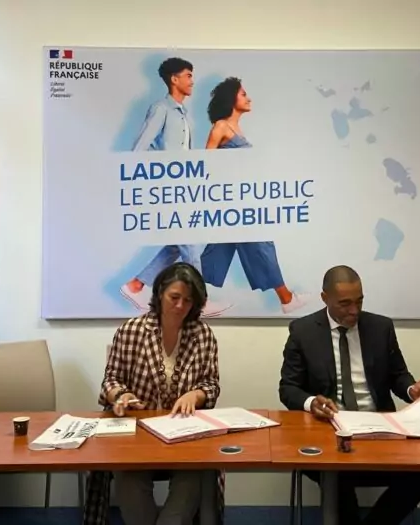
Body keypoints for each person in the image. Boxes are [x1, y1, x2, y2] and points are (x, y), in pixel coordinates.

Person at [278, 265, 420, 525]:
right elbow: (288, 388)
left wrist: (413, 390)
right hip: (328, 432)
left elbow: (398, 375)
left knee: (416, 480)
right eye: (345, 303)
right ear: (325, 298)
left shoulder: (381, 327)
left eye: (359, 301)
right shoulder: (303, 331)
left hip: (379, 429)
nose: (354, 310)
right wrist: (311, 403)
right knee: (335, 478)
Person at [84, 262, 222, 525]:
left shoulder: (203, 334)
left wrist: (195, 395)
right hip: (137, 435)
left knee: (195, 472)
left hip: (184, 434)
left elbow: (211, 384)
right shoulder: (131, 330)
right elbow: (111, 380)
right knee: (128, 473)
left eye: (188, 300)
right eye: (174, 297)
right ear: (159, 294)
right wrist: (120, 396)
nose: (180, 306)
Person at [121, 58, 229, 317]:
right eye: (188, 75)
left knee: (176, 244)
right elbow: (138, 149)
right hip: (168, 189)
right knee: (189, 242)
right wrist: (162, 173)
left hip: (183, 188)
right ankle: (201, 301)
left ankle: (135, 286)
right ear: (174, 79)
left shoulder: (182, 113)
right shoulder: (161, 109)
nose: (192, 81)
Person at [199, 77, 308, 314]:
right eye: (243, 94)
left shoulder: (236, 129)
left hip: (241, 199)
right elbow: (206, 164)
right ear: (231, 99)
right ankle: (286, 298)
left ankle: (195, 296)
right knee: (261, 243)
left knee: (218, 250)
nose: (248, 98)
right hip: (233, 202)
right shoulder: (220, 127)